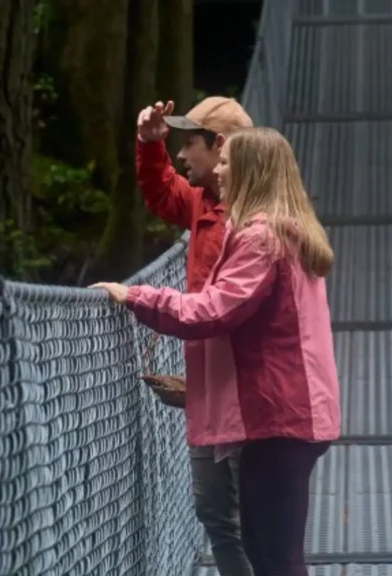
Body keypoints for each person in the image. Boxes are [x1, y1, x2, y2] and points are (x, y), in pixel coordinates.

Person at [92, 126, 341, 576]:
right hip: (291, 410)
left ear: (250, 171)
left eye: (227, 162)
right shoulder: (286, 228)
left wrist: (138, 298)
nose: (218, 170)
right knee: (265, 546)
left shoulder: (261, 238)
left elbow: (213, 310)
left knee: (274, 554)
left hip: (280, 415)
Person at [134, 95, 254, 576]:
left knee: (260, 522)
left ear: (220, 145)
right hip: (206, 386)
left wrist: (140, 299)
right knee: (214, 514)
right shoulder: (204, 202)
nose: (182, 156)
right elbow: (163, 193)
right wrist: (149, 144)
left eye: (190, 145)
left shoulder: (259, 221)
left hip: (249, 395)